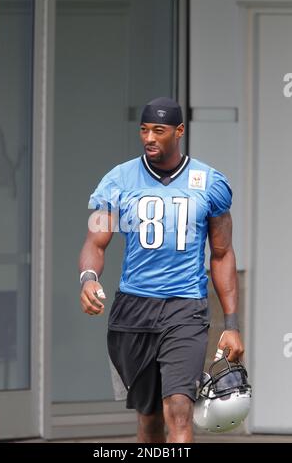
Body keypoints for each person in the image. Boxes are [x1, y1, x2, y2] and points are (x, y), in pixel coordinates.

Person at [79, 97, 244, 443]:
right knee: (149, 419)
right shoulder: (119, 179)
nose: (149, 137)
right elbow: (95, 241)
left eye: (159, 130)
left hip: (185, 308)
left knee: (179, 410)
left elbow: (222, 253)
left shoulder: (209, 183)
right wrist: (89, 279)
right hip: (133, 310)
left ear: (179, 131)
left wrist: (231, 325)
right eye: (144, 130)